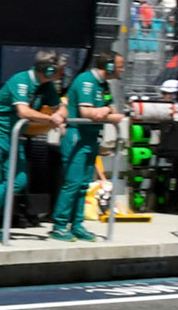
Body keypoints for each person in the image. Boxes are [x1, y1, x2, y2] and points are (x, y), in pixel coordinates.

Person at [0, 50, 64, 242]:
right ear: (48, 70)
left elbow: (60, 107)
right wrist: (50, 119)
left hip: (12, 135)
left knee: (20, 178)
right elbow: (23, 111)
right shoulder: (21, 80)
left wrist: (60, 115)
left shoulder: (47, 86)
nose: (61, 74)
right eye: (58, 70)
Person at [52, 50, 126, 242]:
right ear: (109, 66)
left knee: (84, 184)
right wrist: (107, 111)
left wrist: (105, 111)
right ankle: (59, 225)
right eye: (120, 66)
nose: (122, 70)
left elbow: (111, 110)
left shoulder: (104, 85)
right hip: (76, 136)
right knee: (72, 183)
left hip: (91, 138)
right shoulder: (86, 80)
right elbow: (87, 112)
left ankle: (77, 225)